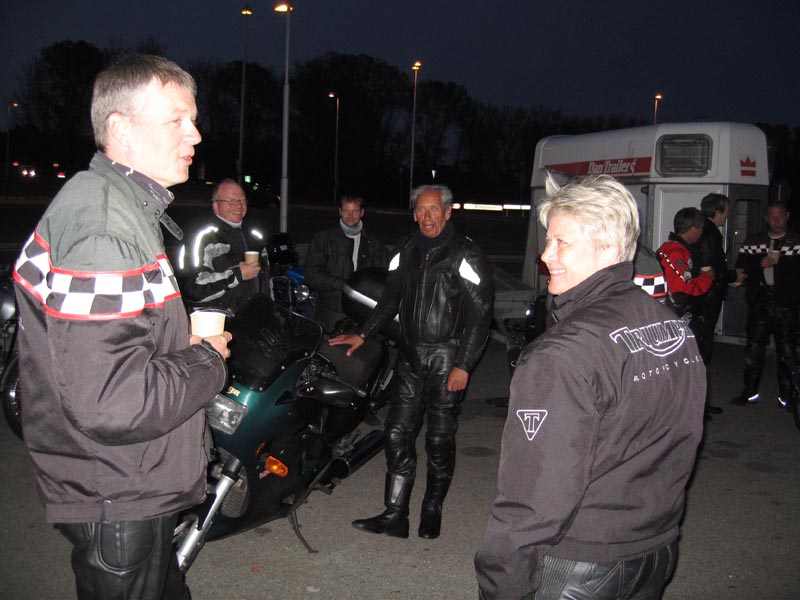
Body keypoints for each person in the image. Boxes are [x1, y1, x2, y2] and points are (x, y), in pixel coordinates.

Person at [12, 54, 231, 600]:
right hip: (119, 490)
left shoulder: (120, 207)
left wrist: (180, 344)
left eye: (193, 119)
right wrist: (208, 359)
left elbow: (115, 347)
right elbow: (112, 402)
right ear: (122, 129)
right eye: (177, 120)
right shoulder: (106, 226)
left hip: (128, 481)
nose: (196, 135)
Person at [475, 174, 705, 600]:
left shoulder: (562, 354)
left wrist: (502, 584)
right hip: (654, 549)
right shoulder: (671, 326)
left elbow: (533, 497)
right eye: (548, 241)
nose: (546, 255)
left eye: (562, 242)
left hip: (581, 565)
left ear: (609, 249)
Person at [329, 185, 494, 540]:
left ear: (447, 212)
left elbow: (481, 315)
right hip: (409, 356)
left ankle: (431, 508)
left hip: (447, 359)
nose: (427, 216)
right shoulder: (406, 249)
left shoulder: (465, 254)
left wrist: (464, 365)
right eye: (421, 209)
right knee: (396, 432)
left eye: (434, 209)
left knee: (438, 439)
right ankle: (395, 514)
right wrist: (363, 333)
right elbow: (390, 299)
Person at [731, 200, 800, 407]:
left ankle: (788, 395)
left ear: (787, 216)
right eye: (772, 217)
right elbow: (741, 269)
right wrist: (759, 265)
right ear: (766, 219)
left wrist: (781, 264)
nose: (776, 221)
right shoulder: (753, 242)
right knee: (754, 347)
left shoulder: (796, 241)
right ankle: (749, 391)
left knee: (787, 350)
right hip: (761, 300)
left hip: (786, 302)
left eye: (780, 217)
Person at [657, 207, 715, 417]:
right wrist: (708, 277)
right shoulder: (675, 252)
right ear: (693, 229)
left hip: (676, 315)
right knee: (687, 363)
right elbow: (682, 290)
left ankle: (695, 405)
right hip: (679, 317)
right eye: (700, 228)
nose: (701, 233)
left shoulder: (674, 248)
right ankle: (688, 409)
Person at [304, 194, 390, 332]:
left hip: (362, 312)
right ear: (340, 211)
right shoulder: (323, 238)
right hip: (332, 311)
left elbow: (388, 270)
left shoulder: (372, 242)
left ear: (362, 213)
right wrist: (344, 285)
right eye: (346, 211)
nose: (350, 215)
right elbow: (311, 275)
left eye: (355, 211)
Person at [180, 178, 266, 312]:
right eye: (231, 200)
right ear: (216, 206)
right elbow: (193, 289)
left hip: (253, 319)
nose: (239, 205)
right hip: (217, 319)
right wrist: (237, 274)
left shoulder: (255, 236)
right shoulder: (202, 236)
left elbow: (266, 282)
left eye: (242, 200)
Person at [694, 193, 736, 414]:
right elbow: (710, 268)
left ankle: (700, 402)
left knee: (703, 343)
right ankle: (700, 404)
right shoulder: (709, 233)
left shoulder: (706, 231)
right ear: (717, 212)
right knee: (703, 345)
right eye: (726, 211)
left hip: (706, 294)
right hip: (708, 296)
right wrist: (730, 276)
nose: (727, 216)